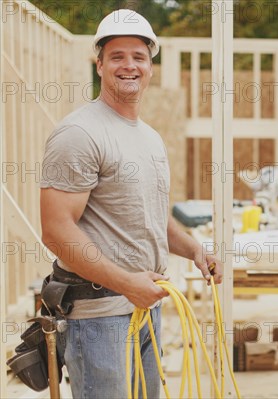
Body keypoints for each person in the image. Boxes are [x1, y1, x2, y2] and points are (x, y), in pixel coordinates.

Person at [39, 9, 222, 398]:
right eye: (118, 56)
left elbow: (151, 216)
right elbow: (57, 231)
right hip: (98, 315)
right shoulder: (79, 133)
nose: (129, 66)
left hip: (144, 307)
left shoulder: (150, 137)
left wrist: (194, 251)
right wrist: (126, 283)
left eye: (139, 57)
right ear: (100, 64)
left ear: (150, 67)